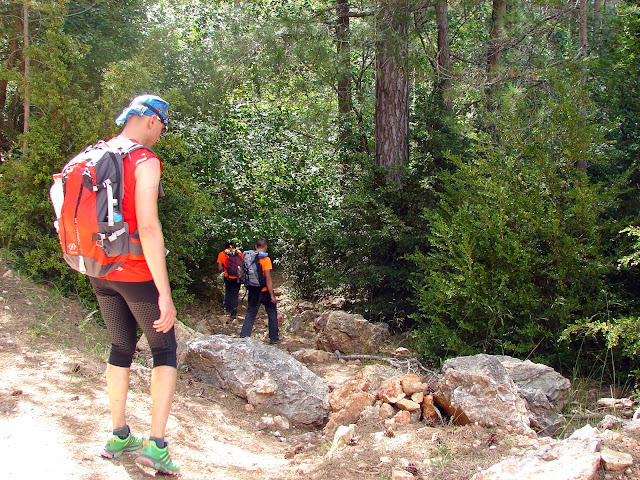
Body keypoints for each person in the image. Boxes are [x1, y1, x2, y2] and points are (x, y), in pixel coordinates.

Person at [92, 95, 179, 475]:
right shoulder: (144, 160)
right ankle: (155, 446)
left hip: (100, 269)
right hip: (134, 270)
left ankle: (119, 433)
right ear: (149, 120)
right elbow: (147, 227)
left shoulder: (96, 154)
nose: (161, 134)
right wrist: (165, 294)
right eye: (162, 126)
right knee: (165, 350)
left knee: (120, 345)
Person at [239, 238, 281, 344]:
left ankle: (244, 337)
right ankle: (274, 338)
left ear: (255, 246)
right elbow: (268, 278)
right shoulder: (265, 260)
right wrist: (272, 295)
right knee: (271, 313)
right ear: (265, 247)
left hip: (253, 290)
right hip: (265, 290)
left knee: (251, 313)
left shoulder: (248, 257)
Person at [216, 240, 244, 320]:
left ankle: (227, 309)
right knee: (235, 293)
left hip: (228, 276)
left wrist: (226, 269)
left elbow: (220, 268)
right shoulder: (239, 252)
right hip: (237, 277)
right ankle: (234, 312)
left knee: (228, 291)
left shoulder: (222, 254)